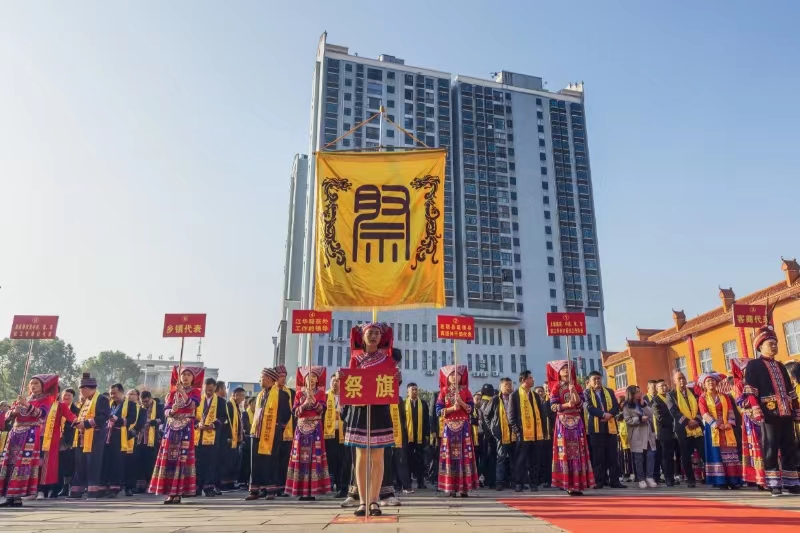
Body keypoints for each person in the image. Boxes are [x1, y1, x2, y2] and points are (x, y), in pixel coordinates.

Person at [343, 323, 400, 517]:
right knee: (361, 457)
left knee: (378, 456)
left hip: (379, 412)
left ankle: (374, 500)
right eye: (370, 333)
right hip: (360, 412)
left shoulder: (388, 360)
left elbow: (393, 384)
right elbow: (349, 383)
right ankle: (362, 501)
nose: (374, 336)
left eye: (377, 333)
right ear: (363, 336)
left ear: (381, 337)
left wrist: (397, 378)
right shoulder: (355, 359)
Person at [742, 325, 800, 496]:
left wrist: (796, 409)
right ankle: (774, 484)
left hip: (786, 412)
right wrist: (755, 408)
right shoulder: (753, 366)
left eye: (775, 343)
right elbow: (750, 390)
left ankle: (791, 482)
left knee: (789, 447)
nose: (773, 346)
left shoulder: (781, 366)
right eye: (770, 343)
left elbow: (791, 392)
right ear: (760, 346)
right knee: (771, 447)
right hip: (768, 413)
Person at [0, 374, 58, 507]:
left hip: (30, 433)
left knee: (23, 464)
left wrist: (26, 405)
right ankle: (10, 496)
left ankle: (18, 496)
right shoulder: (23, 398)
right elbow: (8, 416)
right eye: (31, 383)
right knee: (10, 463)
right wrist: (14, 412)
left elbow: (41, 414)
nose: (33, 385)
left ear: (43, 386)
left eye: (36, 383)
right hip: (15, 433)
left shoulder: (46, 399)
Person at [149, 366, 204, 504]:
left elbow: (193, 405)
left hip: (185, 427)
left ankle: (178, 492)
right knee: (169, 459)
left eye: (188, 375)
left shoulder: (196, 392)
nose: (185, 377)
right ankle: (169, 492)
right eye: (183, 374)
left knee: (181, 458)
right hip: (171, 427)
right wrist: (171, 411)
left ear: (193, 378)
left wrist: (183, 393)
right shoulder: (172, 393)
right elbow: (166, 410)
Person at [547, 360, 594, 495]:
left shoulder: (577, 387)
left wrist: (574, 393)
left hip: (577, 421)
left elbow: (580, 405)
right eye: (563, 368)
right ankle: (568, 483)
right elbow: (553, 406)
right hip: (563, 422)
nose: (566, 370)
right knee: (566, 452)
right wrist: (566, 405)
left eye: (568, 368)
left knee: (578, 452)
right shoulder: (555, 387)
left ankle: (578, 484)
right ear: (559, 372)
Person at [246, 368, 292, 501]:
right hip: (257, 432)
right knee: (255, 461)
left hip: (272, 432)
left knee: (270, 461)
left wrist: (278, 428)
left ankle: (270, 489)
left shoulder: (282, 395)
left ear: (271, 380)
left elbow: (286, 414)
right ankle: (255, 490)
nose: (261, 380)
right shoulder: (260, 394)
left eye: (263, 378)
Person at [285, 366, 331, 500]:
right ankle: (301, 490)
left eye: (313, 377)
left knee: (314, 458)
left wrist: (314, 400)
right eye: (308, 378)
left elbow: (321, 410)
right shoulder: (299, 394)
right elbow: (295, 412)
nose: (311, 380)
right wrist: (305, 404)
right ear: (304, 380)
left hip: (315, 428)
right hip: (301, 429)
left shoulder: (321, 394)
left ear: (317, 380)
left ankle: (313, 490)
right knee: (301, 458)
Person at [435, 364, 479, 498]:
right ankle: (451, 487)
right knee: (450, 456)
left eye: (457, 375)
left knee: (465, 456)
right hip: (449, 428)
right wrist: (452, 409)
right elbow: (438, 411)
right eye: (452, 375)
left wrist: (462, 403)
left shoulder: (466, 391)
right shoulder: (443, 392)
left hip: (464, 427)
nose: (455, 377)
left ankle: (464, 487)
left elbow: (471, 409)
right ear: (447, 377)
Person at [69, 374, 112, 500]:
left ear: (86, 389)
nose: (80, 392)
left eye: (81, 389)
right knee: (80, 463)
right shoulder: (87, 400)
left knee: (93, 464)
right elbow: (82, 417)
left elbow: (103, 417)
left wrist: (85, 424)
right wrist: (78, 423)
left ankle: (93, 492)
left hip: (95, 437)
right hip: (82, 437)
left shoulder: (101, 399)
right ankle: (77, 491)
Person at [697, 373, 742, 489]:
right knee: (716, 453)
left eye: (712, 381)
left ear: (716, 383)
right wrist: (716, 424)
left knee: (729, 454)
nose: (711, 383)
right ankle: (720, 480)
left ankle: (733, 480)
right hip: (713, 429)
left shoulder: (725, 396)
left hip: (726, 427)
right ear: (704, 385)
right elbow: (704, 413)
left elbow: (731, 410)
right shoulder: (702, 398)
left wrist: (729, 423)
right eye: (708, 382)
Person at [583, 370, 625, 488]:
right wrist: (603, 414)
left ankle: (615, 481)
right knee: (598, 456)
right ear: (590, 381)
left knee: (612, 455)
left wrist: (609, 415)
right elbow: (589, 408)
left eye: (599, 378)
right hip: (596, 429)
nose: (597, 381)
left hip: (610, 426)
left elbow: (616, 407)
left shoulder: (609, 391)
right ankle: (599, 481)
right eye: (594, 379)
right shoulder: (586, 393)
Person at [507, 371, 545, 492]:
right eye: (530, 378)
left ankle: (533, 483)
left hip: (536, 433)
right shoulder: (515, 395)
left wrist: (543, 431)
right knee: (521, 460)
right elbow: (511, 416)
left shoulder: (535, 395)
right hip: (522, 434)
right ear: (523, 380)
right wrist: (517, 431)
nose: (533, 380)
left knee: (535, 460)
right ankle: (519, 483)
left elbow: (541, 414)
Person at [38, 384, 77, 499]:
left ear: (57, 393)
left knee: (52, 465)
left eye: (51, 392)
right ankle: (39, 490)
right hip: (38, 437)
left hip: (53, 439)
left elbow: (71, 416)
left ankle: (53, 489)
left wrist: (80, 421)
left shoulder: (60, 405)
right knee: (39, 464)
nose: (48, 395)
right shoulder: (40, 404)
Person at [667, 371, 704, 488]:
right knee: (686, 455)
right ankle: (690, 479)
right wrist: (688, 421)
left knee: (703, 452)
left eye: (683, 377)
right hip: (682, 428)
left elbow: (700, 408)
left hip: (697, 426)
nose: (682, 380)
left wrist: (696, 420)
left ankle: (707, 476)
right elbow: (674, 411)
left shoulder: (693, 392)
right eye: (679, 379)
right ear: (674, 381)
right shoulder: (671, 395)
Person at [100, 383, 139, 498]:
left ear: (122, 392)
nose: (112, 395)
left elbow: (132, 419)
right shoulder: (109, 404)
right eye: (111, 393)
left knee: (117, 462)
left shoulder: (131, 405)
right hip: (107, 436)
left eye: (115, 393)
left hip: (120, 436)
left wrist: (118, 419)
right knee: (106, 461)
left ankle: (115, 487)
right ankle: (104, 487)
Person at [194, 377, 228, 497]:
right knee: (197, 462)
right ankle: (196, 487)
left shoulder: (220, 401)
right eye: (207, 389)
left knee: (211, 463)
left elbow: (223, 417)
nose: (208, 391)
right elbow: (192, 416)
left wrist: (213, 425)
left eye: (211, 389)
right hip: (198, 436)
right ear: (204, 387)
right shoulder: (197, 400)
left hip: (212, 437)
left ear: (215, 388)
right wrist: (198, 424)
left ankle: (209, 487)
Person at [622, 385, 658, 489]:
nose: (640, 393)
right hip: (637, 434)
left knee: (651, 455)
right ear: (632, 394)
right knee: (639, 458)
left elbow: (651, 415)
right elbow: (628, 420)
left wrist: (643, 405)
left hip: (648, 434)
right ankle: (641, 479)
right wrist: (639, 419)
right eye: (637, 392)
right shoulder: (627, 406)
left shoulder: (643, 403)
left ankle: (649, 477)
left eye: (640, 391)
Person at [483, 378, 514, 491]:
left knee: (513, 457)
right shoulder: (496, 399)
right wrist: (492, 428)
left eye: (510, 385)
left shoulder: (515, 397)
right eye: (506, 385)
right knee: (500, 457)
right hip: (500, 432)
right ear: (500, 386)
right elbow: (486, 415)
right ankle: (499, 482)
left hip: (514, 431)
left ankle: (513, 481)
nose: (509, 387)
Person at [324, 371, 349, 497]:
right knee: (330, 457)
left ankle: (341, 484)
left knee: (342, 458)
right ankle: (329, 482)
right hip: (329, 432)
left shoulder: (346, 396)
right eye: (333, 381)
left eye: (337, 381)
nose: (335, 383)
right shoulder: (325, 396)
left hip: (342, 432)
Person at [134, 391, 163, 493]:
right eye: (143, 402)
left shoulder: (159, 407)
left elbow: (164, 419)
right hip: (140, 439)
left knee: (151, 462)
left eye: (147, 401)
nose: (145, 403)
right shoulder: (140, 408)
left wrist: (152, 421)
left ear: (151, 399)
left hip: (153, 439)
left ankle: (151, 485)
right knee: (140, 462)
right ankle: (141, 486)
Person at [54, 388, 80, 497]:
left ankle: (70, 487)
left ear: (73, 397)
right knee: (61, 465)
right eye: (65, 395)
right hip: (58, 440)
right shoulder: (57, 409)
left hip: (70, 440)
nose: (66, 397)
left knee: (70, 464)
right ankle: (62, 487)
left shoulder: (76, 410)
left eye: (69, 395)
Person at [275, 365, 295, 498]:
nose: (283, 379)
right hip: (273, 431)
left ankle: (283, 486)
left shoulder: (291, 393)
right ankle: (272, 486)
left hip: (288, 431)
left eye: (284, 377)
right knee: (273, 459)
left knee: (285, 460)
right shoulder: (270, 393)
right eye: (280, 377)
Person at [404, 382, 430, 491]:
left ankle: (421, 482)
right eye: (412, 390)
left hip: (420, 437)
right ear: (408, 392)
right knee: (407, 460)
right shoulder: (403, 403)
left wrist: (427, 435)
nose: (414, 391)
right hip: (407, 437)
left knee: (420, 461)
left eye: (416, 389)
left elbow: (427, 420)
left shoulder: (423, 403)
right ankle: (407, 483)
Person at [651, 379, 676, 486]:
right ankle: (668, 478)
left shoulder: (671, 398)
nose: (664, 388)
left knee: (673, 456)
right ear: (657, 389)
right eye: (661, 386)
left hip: (675, 431)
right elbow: (660, 417)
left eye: (665, 385)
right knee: (666, 456)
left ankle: (673, 476)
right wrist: (675, 420)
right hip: (664, 431)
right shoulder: (655, 400)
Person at [220, 386, 244, 492]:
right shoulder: (229, 405)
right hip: (229, 438)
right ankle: (224, 483)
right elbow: (226, 423)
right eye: (241, 396)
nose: (243, 398)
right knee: (227, 461)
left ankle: (230, 482)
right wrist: (229, 436)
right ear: (235, 395)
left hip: (236, 439)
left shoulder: (236, 406)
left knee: (233, 461)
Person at [122, 389, 143, 497]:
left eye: (133, 394)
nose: (130, 396)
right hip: (120, 438)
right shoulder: (122, 406)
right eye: (128, 394)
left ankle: (129, 487)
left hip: (132, 439)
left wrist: (129, 434)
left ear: (138, 396)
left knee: (131, 464)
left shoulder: (141, 410)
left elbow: (140, 424)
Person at [239, 396, 256, 489]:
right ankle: (242, 481)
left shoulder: (257, 413)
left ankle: (250, 481)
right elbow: (246, 425)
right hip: (247, 439)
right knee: (244, 462)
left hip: (254, 440)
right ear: (250, 404)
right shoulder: (245, 413)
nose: (255, 405)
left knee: (252, 462)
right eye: (254, 403)